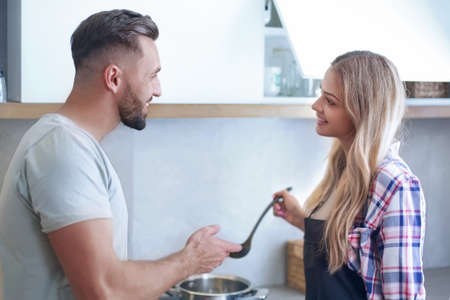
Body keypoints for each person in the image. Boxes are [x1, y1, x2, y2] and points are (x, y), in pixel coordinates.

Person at [0, 9, 241, 300]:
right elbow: (104, 290)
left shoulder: (71, 145)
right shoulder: (62, 150)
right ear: (114, 78)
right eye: (152, 76)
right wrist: (190, 261)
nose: (158, 90)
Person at [273, 51, 426, 300]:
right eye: (320, 94)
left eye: (330, 101)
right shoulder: (341, 166)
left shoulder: (395, 183)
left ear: (363, 112)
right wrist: (301, 220)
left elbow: (402, 295)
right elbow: (346, 253)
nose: (316, 106)